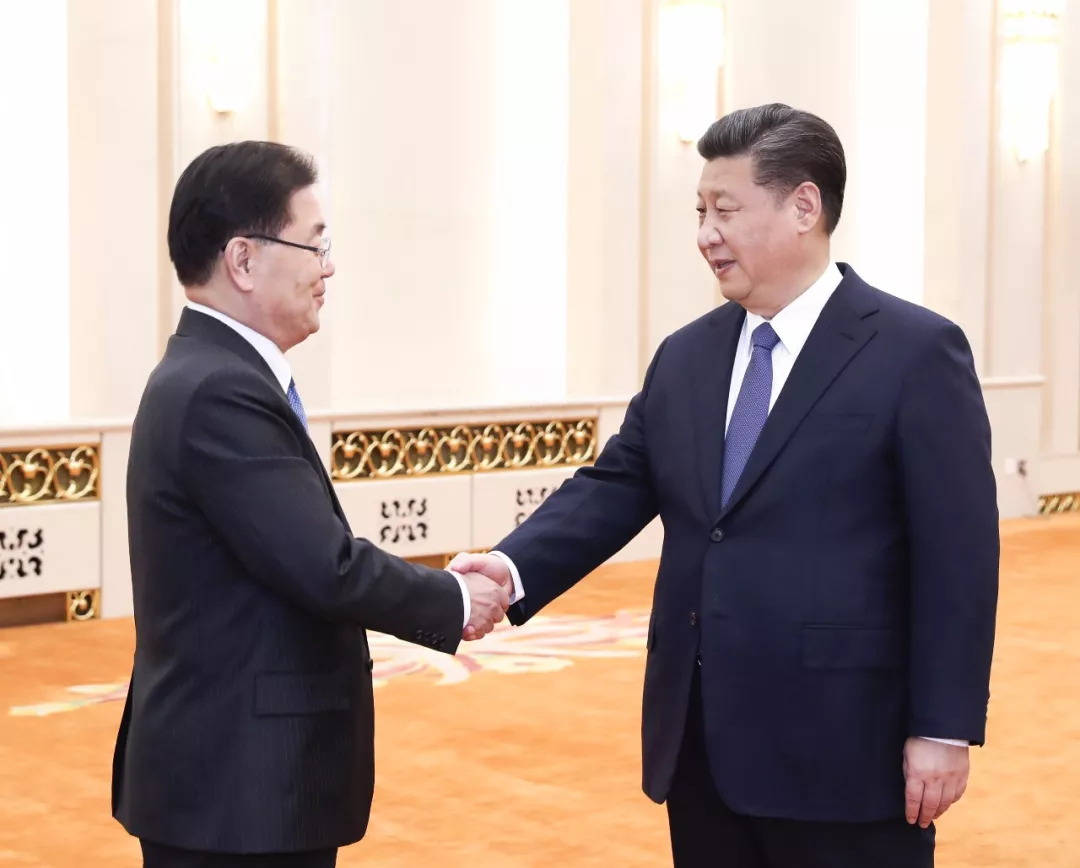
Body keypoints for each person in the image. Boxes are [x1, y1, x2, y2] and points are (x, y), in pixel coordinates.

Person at [451, 103, 999, 868]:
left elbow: (959, 556)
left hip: (847, 748)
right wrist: (508, 570)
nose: (706, 233)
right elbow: (615, 485)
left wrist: (943, 726)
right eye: (699, 212)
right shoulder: (686, 356)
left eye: (725, 210)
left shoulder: (914, 351)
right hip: (701, 746)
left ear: (803, 207)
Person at [111, 140, 509, 868]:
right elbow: (324, 566)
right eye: (315, 244)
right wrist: (455, 599)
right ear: (243, 259)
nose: (328, 268)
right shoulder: (219, 390)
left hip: (231, 781)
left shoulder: (211, 373)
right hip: (236, 791)